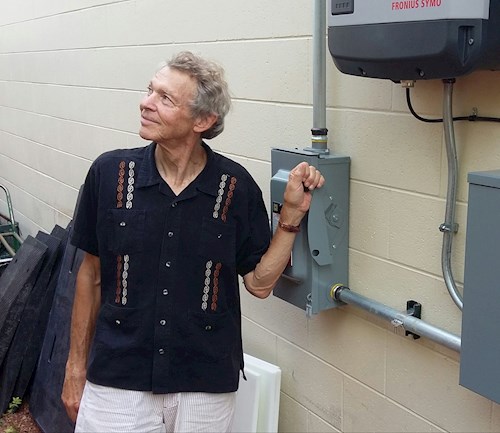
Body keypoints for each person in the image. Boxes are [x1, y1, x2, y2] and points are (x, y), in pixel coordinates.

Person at [61, 51, 324, 433]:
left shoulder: (234, 187)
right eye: (150, 90)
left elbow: (259, 284)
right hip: (119, 377)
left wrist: (290, 220)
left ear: (203, 120)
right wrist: (75, 366)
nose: (145, 102)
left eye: (165, 98)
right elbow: (91, 275)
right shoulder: (110, 174)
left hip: (204, 384)